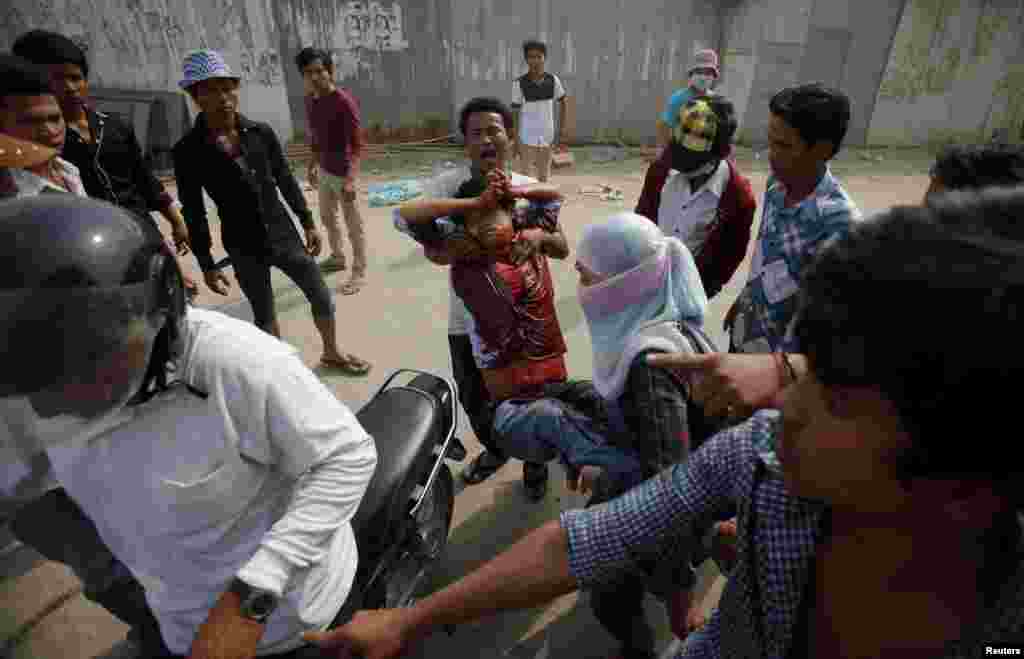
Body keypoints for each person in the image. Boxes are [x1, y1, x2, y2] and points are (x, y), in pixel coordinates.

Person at [308, 187, 1024, 658]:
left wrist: (677, 576)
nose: (780, 407)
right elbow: (587, 538)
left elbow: (656, 481)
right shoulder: (766, 459)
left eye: (830, 390)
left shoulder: (996, 613)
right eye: (800, 370)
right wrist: (410, 618)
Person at [0, 195, 378, 659]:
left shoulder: (232, 362)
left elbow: (347, 457)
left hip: (294, 620)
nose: (61, 399)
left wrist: (254, 594)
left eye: (90, 363)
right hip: (175, 617)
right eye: (42, 377)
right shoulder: (35, 388)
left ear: (157, 312)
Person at [649, 141, 1024, 420]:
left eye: (939, 217)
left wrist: (786, 372)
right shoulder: (775, 191)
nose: (921, 225)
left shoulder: (840, 223)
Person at [172, 49, 370, 375]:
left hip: (282, 231)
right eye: (211, 90)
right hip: (241, 242)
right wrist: (207, 263)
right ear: (195, 96)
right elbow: (193, 212)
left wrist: (306, 221)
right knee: (265, 312)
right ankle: (285, 374)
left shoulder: (260, 133)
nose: (223, 97)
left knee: (319, 293)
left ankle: (332, 352)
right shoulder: (188, 151)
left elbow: (283, 178)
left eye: (227, 87)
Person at [401, 97, 558, 499]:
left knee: (532, 396)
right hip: (466, 320)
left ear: (510, 135)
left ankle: (534, 462)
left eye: (494, 130)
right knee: (475, 398)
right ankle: (497, 449)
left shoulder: (526, 187)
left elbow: (561, 244)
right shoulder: (448, 187)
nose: (486, 139)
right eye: (476, 133)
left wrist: (536, 236)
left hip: (526, 318)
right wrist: (475, 206)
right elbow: (405, 218)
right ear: (465, 142)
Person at [12, 29, 200, 300]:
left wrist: (177, 220)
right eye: (57, 78)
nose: (70, 87)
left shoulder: (115, 126)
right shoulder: (46, 144)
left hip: (144, 232)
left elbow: (144, 179)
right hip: (98, 246)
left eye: (75, 77)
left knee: (174, 298)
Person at [726, 83, 860, 356]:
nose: (771, 154)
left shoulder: (839, 223)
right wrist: (745, 300)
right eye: (770, 141)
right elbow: (766, 252)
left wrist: (780, 375)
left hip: (777, 367)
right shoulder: (776, 185)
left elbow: (820, 319)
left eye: (784, 145)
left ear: (821, 149)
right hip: (746, 332)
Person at [635, 95, 756, 299]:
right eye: (676, 152)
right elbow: (642, 219)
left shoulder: (738, 199)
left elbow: (728, 259)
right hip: (644, 282)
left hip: (689, 294)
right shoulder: (661, 169)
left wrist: (697, 294)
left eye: (688, 159)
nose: (677, 163)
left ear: (717, 154)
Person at [296, 47, 368, 295]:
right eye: (308, 73)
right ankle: (338, 257)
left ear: (330, 71)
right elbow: (316, 136)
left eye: (319, 71)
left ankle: (359, 271)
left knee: (353, 226)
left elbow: (358, 146)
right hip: (325, 171)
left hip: (344, 173)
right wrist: (312, 165)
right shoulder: (310, 100)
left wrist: (350, 180)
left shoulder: (344, 102)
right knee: (327, 218)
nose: (314, 77)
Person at [0, 54, 86, 197]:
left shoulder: (67, 170)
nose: (50, 131)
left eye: (55, 118)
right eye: (31, 121)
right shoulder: (10, 194)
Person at [511, 39, 568, 182]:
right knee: (525, 177)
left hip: (547, 136)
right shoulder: (519, 83)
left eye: (538, 57)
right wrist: (516, 138)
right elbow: (515, 112)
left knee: (544, 177)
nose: (535, 61)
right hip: (526, 136)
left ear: (544, 58)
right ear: (526, 59)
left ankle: (541, 203)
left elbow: (563, 102)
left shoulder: (553, 80)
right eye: (531, 57)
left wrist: (561, 131)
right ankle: (527, 203)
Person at [656, 49, 720, 150]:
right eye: (698, 72)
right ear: (691, 74)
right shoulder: (679, 98)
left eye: (708, 73)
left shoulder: (717, 101)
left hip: (705, 152)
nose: (703, 77)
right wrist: (663, 150)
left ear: (714, 77)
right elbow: (665, 125)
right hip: (680, 151)